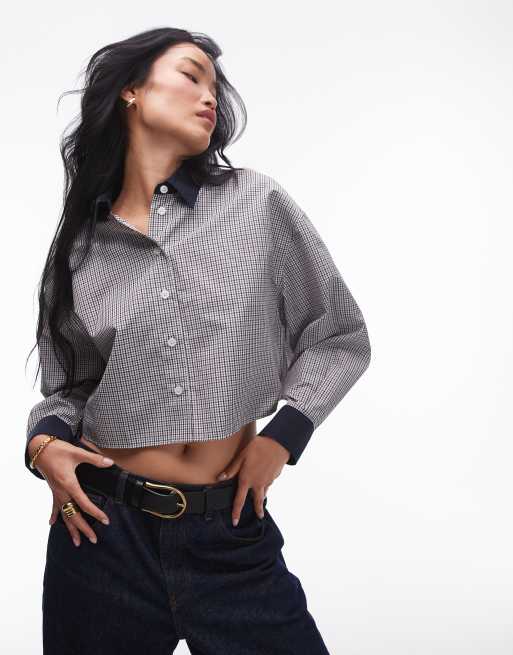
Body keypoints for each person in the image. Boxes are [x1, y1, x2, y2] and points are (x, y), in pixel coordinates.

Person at [25, 27, 371, 655]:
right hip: (100, 536)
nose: (210, 96)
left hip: (230, 534)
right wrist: (43, 444)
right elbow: (69, 386)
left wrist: (282, 437)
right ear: (131, 90)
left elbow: (339, 336)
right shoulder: (80, 245)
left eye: (216, 86)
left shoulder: (255, 202)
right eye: (191, 75)